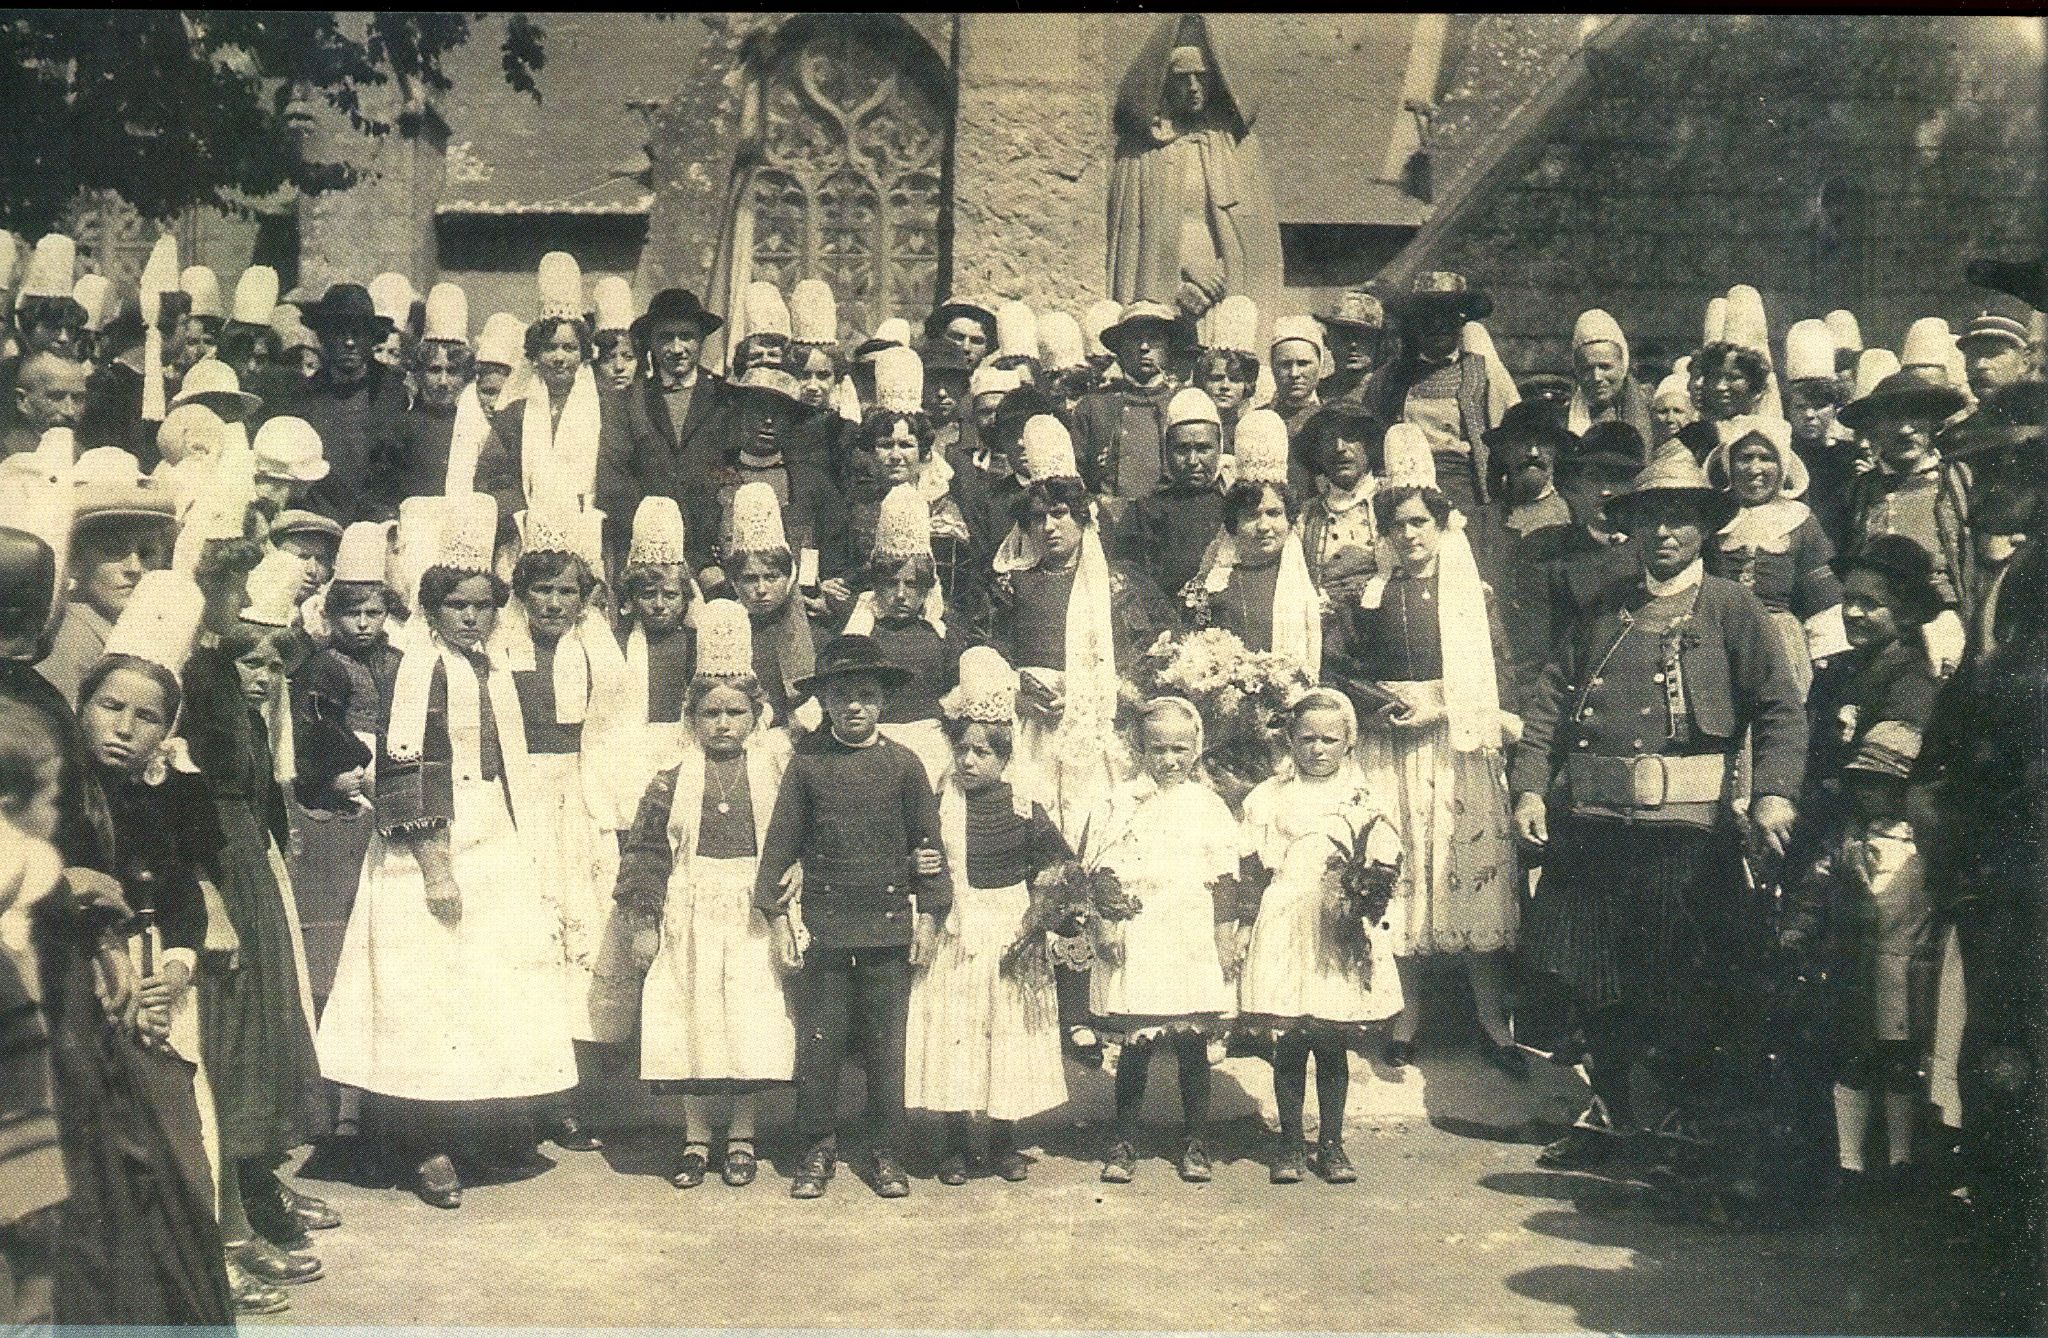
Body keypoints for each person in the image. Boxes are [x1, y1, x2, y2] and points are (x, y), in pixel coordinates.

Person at [1512, 450, 1805, 1181]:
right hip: (1596, 829)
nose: (1665, 533)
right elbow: (1549, 701)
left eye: (1679, 518)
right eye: (1650, 519)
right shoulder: (1605, 604)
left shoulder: (1734, 609)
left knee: (1684, 983)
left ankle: (1684, 1124)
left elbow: (1779, 710)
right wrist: (1526, 788)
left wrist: (1773, 793)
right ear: (1631, 528)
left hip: (1689, 834)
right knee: (1595, 978)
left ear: (1704, 528)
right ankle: (1610, 1113)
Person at [317, 492, 578, 1210]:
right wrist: (434, 864)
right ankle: (420, 1143)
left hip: (495, 833)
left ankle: (483, 1130)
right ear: (432, 609)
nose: (471, 617)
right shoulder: (421, 668)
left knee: (484, 987)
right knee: (424, 992)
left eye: (482, 605)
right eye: (457, 605)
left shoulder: (492, 667)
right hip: (432, 842)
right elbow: (407, 764)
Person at [1344, 433, 1522, 1076]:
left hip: (1455, 746)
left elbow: (1498, 678)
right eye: (1398, 524)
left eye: (1420, 521)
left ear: (1442, 522)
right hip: (1393, 751)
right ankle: (1407, 1016)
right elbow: (1351, 670)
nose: (1410, 535)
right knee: (1402, 874)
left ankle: (1493, 1025)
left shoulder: (1472, 595)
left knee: (1466, 871)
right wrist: (1378, 705)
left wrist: (1441, 707)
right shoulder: (1373, 596)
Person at [752, 633, 950, 1200]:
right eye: (842, 696)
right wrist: (778, 920)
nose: (855, 706)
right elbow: (779, 849)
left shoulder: (906, 766)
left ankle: (887, 1152)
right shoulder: (808, 765)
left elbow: (929, 849)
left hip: (888, 929)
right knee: (820, 1047)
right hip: (827, 932)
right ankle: (815, 1152)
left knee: (888, 1048)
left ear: (883, 701)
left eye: (866, 694)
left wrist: (931, 918)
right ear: (826, 703)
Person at [182, 551, 330, 1290]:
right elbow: (210, 652)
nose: (263, 676)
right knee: (233, 1038)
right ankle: (232, 1219)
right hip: (224, 873)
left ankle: (257, 1185)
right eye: (254, 662)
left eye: (274, 666)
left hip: (253, 868)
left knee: (269, 1029)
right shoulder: (208, 700)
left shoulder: (250, 714)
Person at [1782, 536, 1944, 1203]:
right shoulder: (1838, 671)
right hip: (1839, 844)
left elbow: (1881, 774)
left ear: (1904, 613)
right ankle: (1851, 1161)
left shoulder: (1913, 677)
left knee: (1893, 1006)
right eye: (1849, 600)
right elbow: (1812, 748)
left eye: (1871, 604)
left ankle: (1898, 1158)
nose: (1855, 613)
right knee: (1848, 1006)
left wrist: (1831, 788)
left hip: (1890, 851)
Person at [616, 599, 795, 1191]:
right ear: (692, 716)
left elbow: (793, 841)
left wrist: (789, 899)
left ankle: (742, 1132)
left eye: (735, 712)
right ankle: (695, 1135)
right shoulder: (671, 776)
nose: (723, 724)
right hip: (688, 910)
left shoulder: (772, 772)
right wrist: (644, 922)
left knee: (746, 1020)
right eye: (711, 713)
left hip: (749, 908)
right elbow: (645, 853)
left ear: (755, 714)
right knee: (691, 1020)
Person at [904, 646, 1072, 1184]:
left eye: (984, 752)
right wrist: (918, 860)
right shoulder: (937, 800)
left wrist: (1047, 897)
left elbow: (1056, 860)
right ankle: (954, 1142)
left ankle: (1002, 1139)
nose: (970, 761)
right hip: (956, 929)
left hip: (1010, 929)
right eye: (964, 750)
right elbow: (917, 851)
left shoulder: (1025, 802)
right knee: (957, 1033)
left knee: (1006, 1036)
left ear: (1005, 756)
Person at [500, 498, 635, 1147]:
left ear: (585, 597)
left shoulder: (595, 652)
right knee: (522, 943)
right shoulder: (502, 648)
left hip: (574, 803)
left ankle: (568, 1097)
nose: (553, 604)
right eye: (541, 590)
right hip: (517, 802)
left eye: (566, 592)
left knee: (575, 945)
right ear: (521, 591)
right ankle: (520, 1094)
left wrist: (606, 811)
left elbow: (610, 735)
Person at [1235, 689, 1404, 1183]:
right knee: (1290, 1037)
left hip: (1339, 925)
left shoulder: (1364, 797)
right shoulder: (1269, 796)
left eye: (1330, 739)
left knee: (1330, 1038)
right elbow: (1250, 861)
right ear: (1289, 739)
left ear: (1349, 744)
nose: (1317, 748)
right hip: (1288, 921)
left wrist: (1366, 893)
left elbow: (1385, 854)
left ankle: (1330, 1144)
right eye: (1306, 738)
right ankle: (1289, 1142)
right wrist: (1244, 925)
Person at [1081, 696, 1238, 1184]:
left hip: (1189, 934)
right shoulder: (1116, 802)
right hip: (1139, 935)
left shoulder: (1208, 805)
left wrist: (1225, 936)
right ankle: (1124, 1138)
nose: (1170, 760)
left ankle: (1195, 1140)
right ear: (1138, 749)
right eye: (1158, 750)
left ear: (1197, 748)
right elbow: (1094, 872)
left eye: (1180, 749)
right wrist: (1103, 925)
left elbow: (1227, 878)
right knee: (1136, 1045)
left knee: (1192, 1042)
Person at [1106, 14, 1283, 334]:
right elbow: (1140, 232)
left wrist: (1222, 271)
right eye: (1181, 78)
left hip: (1223, 277)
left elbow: (1252, 236)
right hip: (1166, 277)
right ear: (1163, 83)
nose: (1193, 87)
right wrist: (1186, 269)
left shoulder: (1233, 145)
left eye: (1202, 77)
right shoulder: (1143, 150)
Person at [1837, 371, 1973, 680]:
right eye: (1892, 419)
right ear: (1873, 429)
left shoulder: (1957, 482)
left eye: (1916, 417)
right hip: (1879, 635)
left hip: (1947, 627)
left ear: (1934, 423)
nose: (1905, 429)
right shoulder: (1860, 492)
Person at [837, 484, 969, 790]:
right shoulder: (861, 627)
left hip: (929, 749)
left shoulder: (940, 630)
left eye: (911, 584)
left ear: (925, 586)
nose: (900, 595)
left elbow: (954, 691)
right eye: (890, 583)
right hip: (871, 742)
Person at [1703, 418, 1846, 700]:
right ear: (1729, 464)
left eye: (1766, 458)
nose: (1755, 469)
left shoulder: (1800, 520)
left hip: (1779, 640)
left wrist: (1824, 651)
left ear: (1781, 465)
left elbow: (1822, 593)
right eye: (1745, 458)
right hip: (1719, 638)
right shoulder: (1712, 519)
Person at [593, 287, 731, 576]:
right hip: (649, 551)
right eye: (666, 338)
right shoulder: (628, 401)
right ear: (652, 344)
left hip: (714, 553)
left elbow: (733, 470)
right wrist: (652, 538)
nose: (677, 348)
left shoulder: (725, 397)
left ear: (701, 340)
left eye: (687, 336)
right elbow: (615, 478)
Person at [476, 254, 607, 532]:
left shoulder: (605, 407)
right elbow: (493, 475)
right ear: (535, 354)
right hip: (527, 528)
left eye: (569, 348)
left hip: (588, 526)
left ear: (583, 354)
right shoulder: (516, 411)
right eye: (550, 348)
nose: (559, 357)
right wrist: (520, 515)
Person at [1187, 409, 1321, 676]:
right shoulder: (1216, 581)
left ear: (1290, 519)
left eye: (1274, 514)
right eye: (1251, 516)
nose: (1264, 527)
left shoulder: (1303, 583)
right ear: (1234, 522)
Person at [38, 445, 176, 704]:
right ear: (76, 561)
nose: (134, 568)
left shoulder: (128, 629)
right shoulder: (72, 637)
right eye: (113, 552)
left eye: (147, 554)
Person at [290, 283, 410, 524]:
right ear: (324, 337)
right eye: (339, 332)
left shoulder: (391, 392)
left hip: (374, 525)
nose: (350, 343)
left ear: (371, 338)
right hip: (320, 522)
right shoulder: (307, 395)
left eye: (358, 333)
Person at [612, 497, 699, 814]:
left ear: (685, 597)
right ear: (631, 599)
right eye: (648, 595)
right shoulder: (616, 643)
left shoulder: (694, 643)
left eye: (670, 595)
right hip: (627, 756)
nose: (660, 604)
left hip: (681, 754)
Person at [1074, 302, 1192, 508]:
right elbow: (1076, 474)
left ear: (1169, 346)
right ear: (1120, 348)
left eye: (1154, 339)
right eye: (1134, 339)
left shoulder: (1184, 403)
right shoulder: (1094, 406)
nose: (1144, 347)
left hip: (1168, 518)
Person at [1117, 387, 1229, 601]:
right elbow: (1129, 579)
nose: (1193, 461)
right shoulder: (1144, 511)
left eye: (1204, 448)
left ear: (1219, 448)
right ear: (1167, 451)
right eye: (1182, 449)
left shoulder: (1234, 505)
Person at [721, 483, 817, 729]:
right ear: (734, 583)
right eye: (750, 579)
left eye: (771, 577)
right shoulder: (726, 632)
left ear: (788, 577)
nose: (761, 589)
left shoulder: (815, 631)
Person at [1566, 309, 1654, 443]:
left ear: (1623, 366)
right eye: (1587, 369)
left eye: (1605, 367)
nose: (1596, 377)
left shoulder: (1653, 411)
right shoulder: (1565, 418)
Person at [3, 352, 89, 460]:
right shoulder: (5, 455)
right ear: (22, 400)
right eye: (56, 397)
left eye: (78, 398)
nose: (70, 411)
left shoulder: (83, 456)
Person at [1316, 288, 1387, 410]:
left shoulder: (1387, 393)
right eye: (1344, 336)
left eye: (1363, 337)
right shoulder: (1314, 392)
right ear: (1327, 340)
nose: (1353, 344)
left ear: (1378, 342)